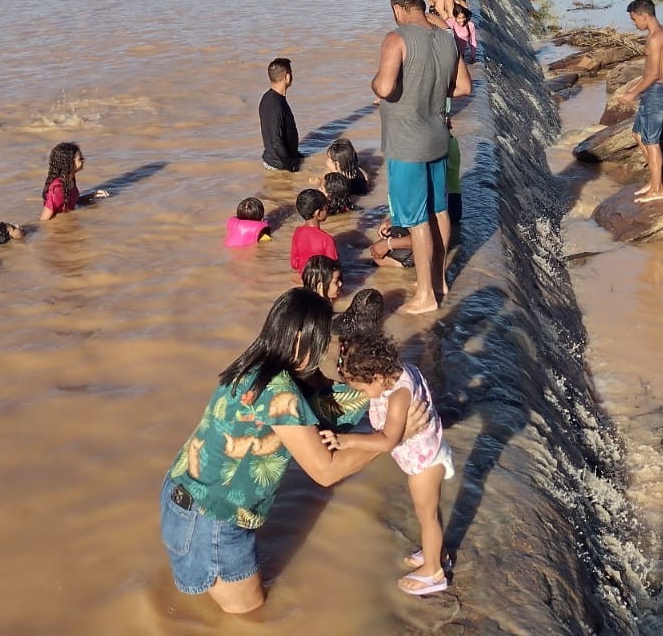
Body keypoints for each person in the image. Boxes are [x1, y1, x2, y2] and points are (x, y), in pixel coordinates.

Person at [161, 288, 383, 614]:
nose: (322, 352)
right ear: (298, 338)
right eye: (320, 343)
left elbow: (326, 405)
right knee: (251, 618)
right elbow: (326, 471)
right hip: (212, 520)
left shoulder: (256, 364)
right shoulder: (281, 393)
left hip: (182, 496)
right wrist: (390, 438)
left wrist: (375, 390)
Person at [322, 332, 454, 596]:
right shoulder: (401, 371)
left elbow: (387, 441)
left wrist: (346, 441)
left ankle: (434, 571)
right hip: (429, 451)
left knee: (427, 517)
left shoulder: (397, 396)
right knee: (428, 512)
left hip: (424, 462)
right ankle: (435, 552)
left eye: (362, 388)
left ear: (379, 377)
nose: (362, 393)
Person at [371, 0, 472, 315]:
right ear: (419, 4)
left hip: (407, 144)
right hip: (438, 137)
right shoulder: (446, 39)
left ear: (399, 8)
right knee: (439, 211)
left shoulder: (395, 39)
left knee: (416, 221)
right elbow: (463, 88)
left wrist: (377, 84)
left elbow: (385, 87)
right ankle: (441, 282)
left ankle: (425, 294)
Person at [613, 0, 663, 204]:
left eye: (634, 19)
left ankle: (658, 189)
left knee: (651, 142)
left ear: (644, 16)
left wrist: (631, 94)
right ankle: (656, 181)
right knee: (638, 134)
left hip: (656, 92)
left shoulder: (655, 38)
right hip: (656, 91)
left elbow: (654, 75)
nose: (633, 23)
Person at [39, 141, 110, 221]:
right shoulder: (57, 188)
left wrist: (92, 195)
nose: (84, 160)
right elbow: (43, 221)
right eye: (80, 159)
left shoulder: (70, 179)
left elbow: (72, 201)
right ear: (69, 163)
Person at [258, 57, 302, 172]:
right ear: (287, 77)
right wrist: (291, 166)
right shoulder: (275, 104)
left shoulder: (269, 98)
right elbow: (276, 141)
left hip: (280, 161)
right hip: (279, 166)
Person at [289, 188, 338, 274]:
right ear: (318, 213)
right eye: (325, 208)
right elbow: (334, 269)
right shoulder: (327, 240)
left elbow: (294, 264)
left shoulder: (297, 232)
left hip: (305, 279)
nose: (327, 210)